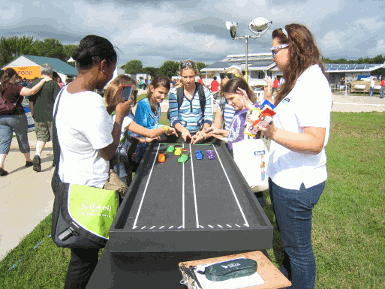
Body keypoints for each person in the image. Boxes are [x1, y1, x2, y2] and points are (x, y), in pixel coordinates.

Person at [53, 35, 133, 289]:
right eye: (111, 69)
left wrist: (108, 110)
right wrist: (119, 116)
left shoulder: (65, 92)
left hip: (67, 179)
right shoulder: (91, 102)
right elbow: (108, 151)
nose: (110, 76)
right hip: (88, 188)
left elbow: (86, 130)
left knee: (84, 255)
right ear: (103, 65)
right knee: (84, 259)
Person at [259, 24, 332, 289]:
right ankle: (287, 274)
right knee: (290, 243)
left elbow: (315, 142)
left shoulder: (312, 83)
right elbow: (279, 117)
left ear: (291, 48)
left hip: (297, 182)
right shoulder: (297, 79)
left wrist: (273, 133)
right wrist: (264, 102)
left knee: (299, 250)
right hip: (284, 176)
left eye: (274, 50)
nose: (272, 56)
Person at [104, 74, 177, 185]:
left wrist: (145, 140)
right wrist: (165, 128)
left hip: (123, 158)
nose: (133, 98)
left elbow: (129, 136)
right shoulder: (121, 117)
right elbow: (149, 131)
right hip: (117, 164)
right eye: (131, 95)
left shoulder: (121, 116)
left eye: (134, 94)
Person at [204, 77, 265, 207]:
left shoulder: (256, 109)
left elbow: (265, 121)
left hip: (250, 163)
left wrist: (250, 106)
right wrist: (221, 133)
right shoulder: (238, 112)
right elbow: (238, 136)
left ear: (243, 94)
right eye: (227, 99)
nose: (230, 103)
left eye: (232, 98)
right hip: (237, 158)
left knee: (254, 197)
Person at [0, 68, 51, 176]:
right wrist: (43, 81)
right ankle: (28, 160)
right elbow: (31, 91)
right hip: (16, 116)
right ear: (13, 76)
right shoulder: (15, 87)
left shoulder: (1, 87)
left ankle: (1, 164)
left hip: (2, 117)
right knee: (22, 137)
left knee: (4, 141)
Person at [168, 60, 213, 142]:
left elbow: (208, 116)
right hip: (180, 134)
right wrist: (183, 130)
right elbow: (173, 118)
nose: (188, 80)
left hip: (199, 133)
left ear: (196, 74)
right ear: (180, 75)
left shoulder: (204, 91)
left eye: (191, 76)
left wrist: (202, 133)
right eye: (185, 77)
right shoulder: (174, 93)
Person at [29, 63, 61, 172]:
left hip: (38, 115)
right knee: (55, 138)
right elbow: (58, 101)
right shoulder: (53, 84)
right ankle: (56, 159)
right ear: (51, 73)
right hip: (51, 115)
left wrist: (33, 114)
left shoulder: (34, 83)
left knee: (41, 138)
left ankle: (37, 155)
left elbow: (31, 101)